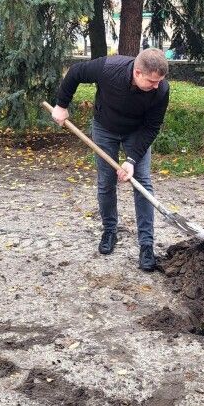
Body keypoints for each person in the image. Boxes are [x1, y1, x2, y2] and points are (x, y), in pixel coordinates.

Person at [51, 48, 170, 272]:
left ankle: (146, 245)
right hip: (105, 128)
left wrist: (131, 160)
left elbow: (152, 127)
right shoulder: (109, 68)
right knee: (106, 182)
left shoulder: (161, 89)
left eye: (159, 81)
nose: (157, 86)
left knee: (142, 183)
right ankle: (109, 231)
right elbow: (75, 72)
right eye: (152, 81)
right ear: (137, 72)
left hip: (137, 132)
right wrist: (61, 105)